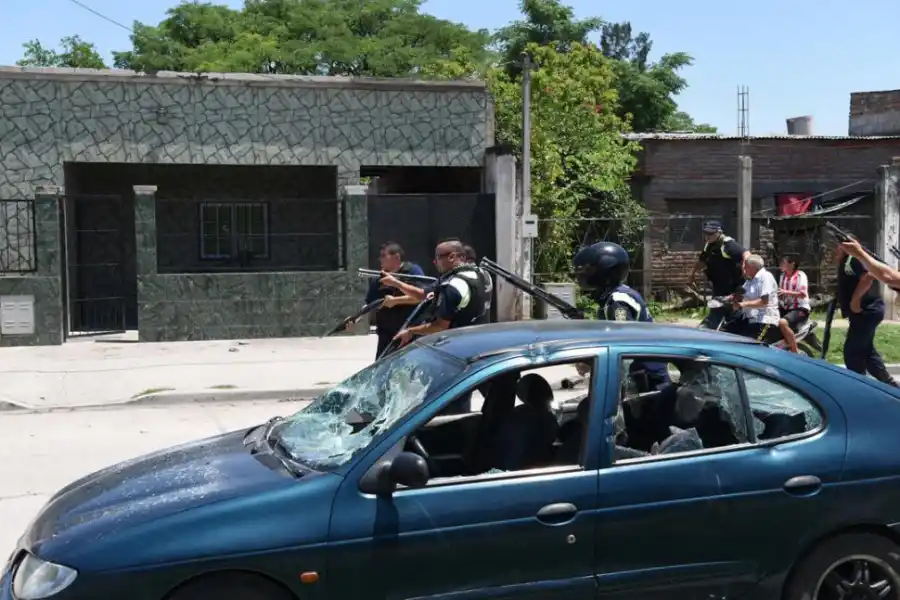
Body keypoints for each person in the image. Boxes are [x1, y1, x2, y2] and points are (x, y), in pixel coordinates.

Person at [572, 242, 670, 392]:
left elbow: (622, 344)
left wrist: (591, 362)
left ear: (604, 271)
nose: (583, 273)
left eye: (589, 269)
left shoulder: (618, 301)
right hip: (641, 376)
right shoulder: (616, 295)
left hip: (647, 382)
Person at [392, 239, 491, 347]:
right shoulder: (484, 274)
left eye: (438, 257)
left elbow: (439, 326)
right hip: (482, 342)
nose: (435, 262)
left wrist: (410, 331)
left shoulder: (452, 285)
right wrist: (396, 283)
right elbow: (422, 293)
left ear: (452, 257)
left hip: (459, 348)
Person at [835, 239, 899, 386]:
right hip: (865, 310)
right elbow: (886, 276)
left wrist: (855, 300)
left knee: (852, 351)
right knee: (866, 349)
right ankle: (888, 384)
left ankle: (859, 385)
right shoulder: (848, 259)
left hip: (867, 310)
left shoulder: (853, 259)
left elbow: (875, 276)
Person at [361, 242, 425, 359]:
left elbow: (422, 296)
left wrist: (396, 300)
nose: (380, 259)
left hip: (407, 331)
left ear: (396, 257)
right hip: (386, 332)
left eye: (383, 255)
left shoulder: (412, 272)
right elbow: (371, 302)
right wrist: (358, 317)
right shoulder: (380, 277)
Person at [689, 220, 751, 329]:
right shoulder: (709, 245)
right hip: (718, 288)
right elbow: (701, 261)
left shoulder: (727, 244)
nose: (707, 236)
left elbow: (746, 253)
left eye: (710, 234)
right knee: (719, 314)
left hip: (732, 290)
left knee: (732, 316)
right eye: (706, 233)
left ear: (719, 232)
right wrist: (692, 275)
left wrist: (745, 265)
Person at [729, 254, 783, 344]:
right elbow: (741, 294)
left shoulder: (765, 276)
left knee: (750, 347)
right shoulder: (750, 280)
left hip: (765, 320)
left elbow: (764, 301)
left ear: (752, 267)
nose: (744, 269)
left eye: (745, 267)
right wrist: (729, 298)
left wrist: (743, 304)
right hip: (751, 320)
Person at [776, 255, 809, 354]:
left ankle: (795, 352)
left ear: (792, 264)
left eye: (784, 262)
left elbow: (802, 294)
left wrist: (785, 292)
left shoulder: (800, 275)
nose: (781, 264)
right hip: (786, 307)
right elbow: (781, 293)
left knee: (782, 322)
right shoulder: (782, 276)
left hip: (800, 308)